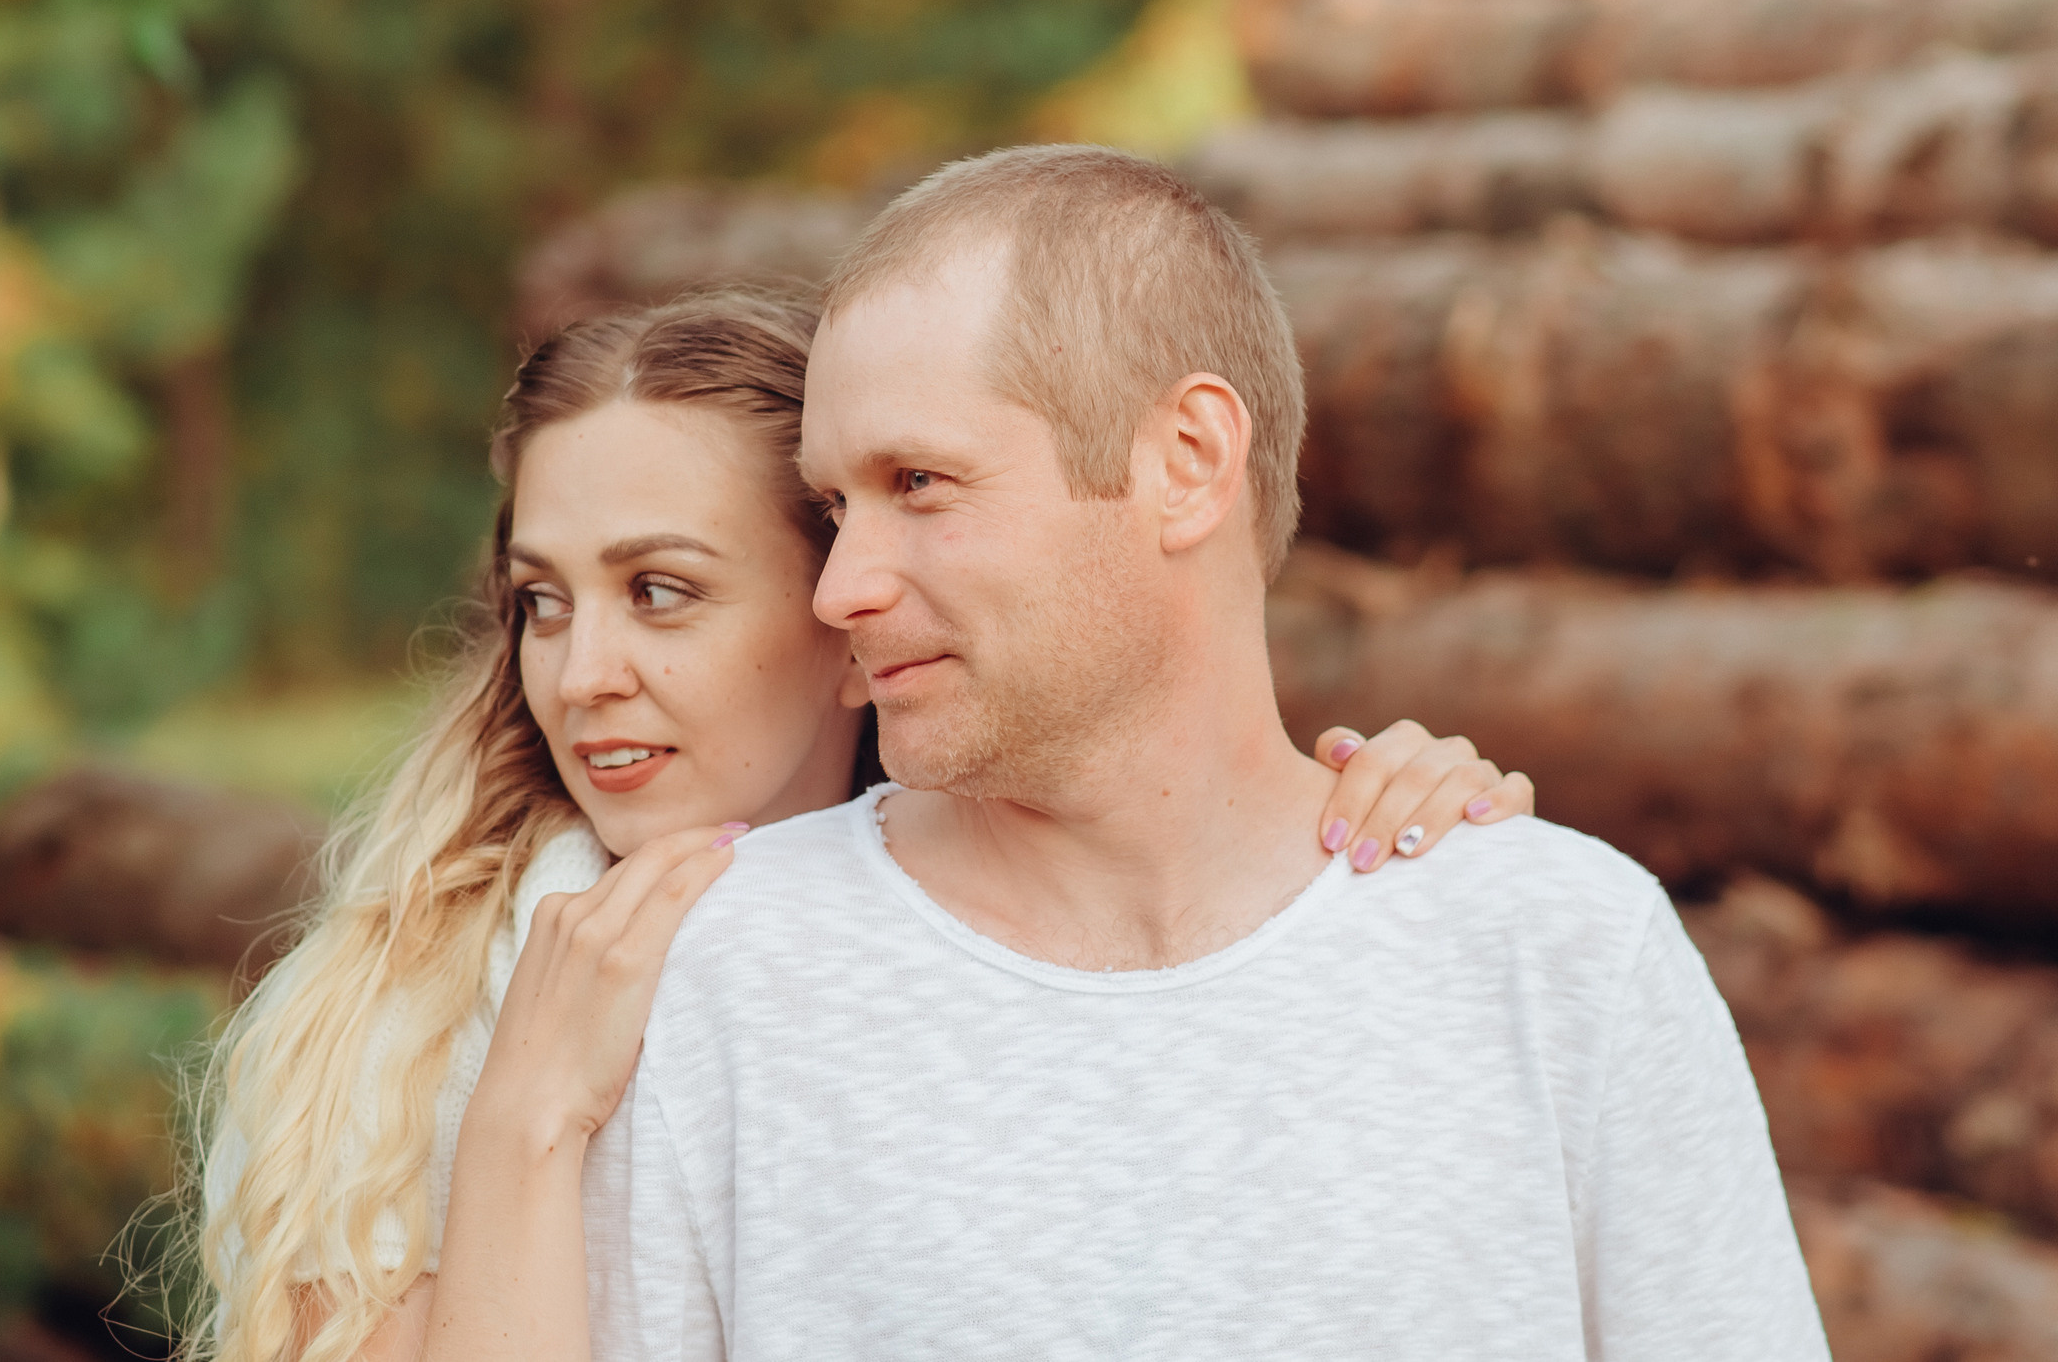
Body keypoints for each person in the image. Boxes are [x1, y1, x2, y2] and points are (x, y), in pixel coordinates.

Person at [578, 147, 1830, 1360]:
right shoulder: (720, 975)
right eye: (836, 508)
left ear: (1185, 464)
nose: (842, 585)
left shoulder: (1561, 951)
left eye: (920, 481)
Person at [191, 289, 1536, 1362]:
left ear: (847, 612)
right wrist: (522, 1117)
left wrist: (1403, 842)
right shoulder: (392, 1028)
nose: (580, 668)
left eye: (660, 591)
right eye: (543, 600)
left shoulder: (1021, 934)